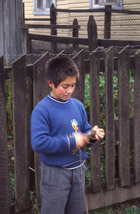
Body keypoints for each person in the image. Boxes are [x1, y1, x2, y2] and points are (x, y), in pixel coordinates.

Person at [31, 55, 105, 214]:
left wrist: (91, 135)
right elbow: (38, 143)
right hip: (55, 173)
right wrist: (71, 141)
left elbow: (84, 131)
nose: (70, 90)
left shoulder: (77, 105)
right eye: (65, 86)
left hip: (78, 170)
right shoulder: (42, 110)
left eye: (73, 85)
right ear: (50, 83)